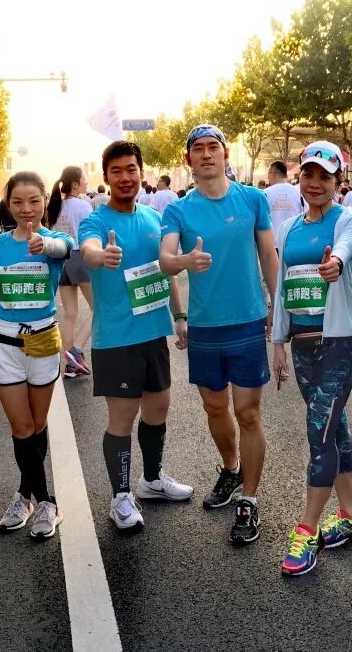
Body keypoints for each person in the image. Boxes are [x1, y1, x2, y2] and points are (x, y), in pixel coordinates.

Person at [160, 123, 279, 546]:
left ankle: (250, 499)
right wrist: (183, 262)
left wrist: (277, 309)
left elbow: (268, 254)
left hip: (247, 322)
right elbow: (165, 260)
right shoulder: (178, 210)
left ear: (225, 154)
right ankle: (231, 469)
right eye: (199, 149)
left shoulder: (253, 199)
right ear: (188, 159)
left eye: (214, 147)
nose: (207, 154)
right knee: (215, 408)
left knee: (248, 413)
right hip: (205, 326)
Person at [79, 141, 193, 532]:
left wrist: (179, 315)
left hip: (153, 334)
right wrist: (101, 256)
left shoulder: (154, 218)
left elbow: (166, 269)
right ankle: (121, 497)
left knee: (158, 408)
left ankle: (152, 480)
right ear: (106, 177)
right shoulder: (96, 221)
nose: (125, 177)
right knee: (122, 419)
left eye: (131, 169)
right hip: (116, 339)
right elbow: (89, 248)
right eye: (116, 171)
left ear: (141, 172)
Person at [270, 141, 352, 576]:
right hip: (303, 344)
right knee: (334, 426)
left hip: (341, 342)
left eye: (324, 177)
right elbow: (282, 288)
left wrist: (337, 263)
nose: (315, 183)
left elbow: (348, 245)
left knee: (319, 430)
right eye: (308, 175)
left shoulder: (349, 219)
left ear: (338, 181)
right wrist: (278, 341)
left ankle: (307, 529)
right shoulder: (288, 229)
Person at [0, 171, 74, 540]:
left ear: (44, 202)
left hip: (43, 342)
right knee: (21, 427)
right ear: (7, 204)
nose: (26, 208)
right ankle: (47, 500)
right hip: (5, 344)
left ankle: (24, 495)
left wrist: (44, 245)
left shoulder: (56, 240)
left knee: (37, 423)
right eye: (17, 201)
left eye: (34, 201)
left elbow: (63, 250)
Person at [47, 166, 94, 377]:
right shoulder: (83, 206)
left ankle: (70, 364)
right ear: (75, 184)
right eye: (84, 179)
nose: (86, 181)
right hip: (79, 257)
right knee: (98, 307)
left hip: (60, 258)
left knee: (70, 314)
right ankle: (76, 349)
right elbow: (91, 236)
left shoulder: (55, 206)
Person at [264, 160, 306, 240]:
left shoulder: (265, 194)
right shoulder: (299, 192)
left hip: (271, 242)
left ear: (273, 173)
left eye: (268, 174)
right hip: (294, 240)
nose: (268, 177)